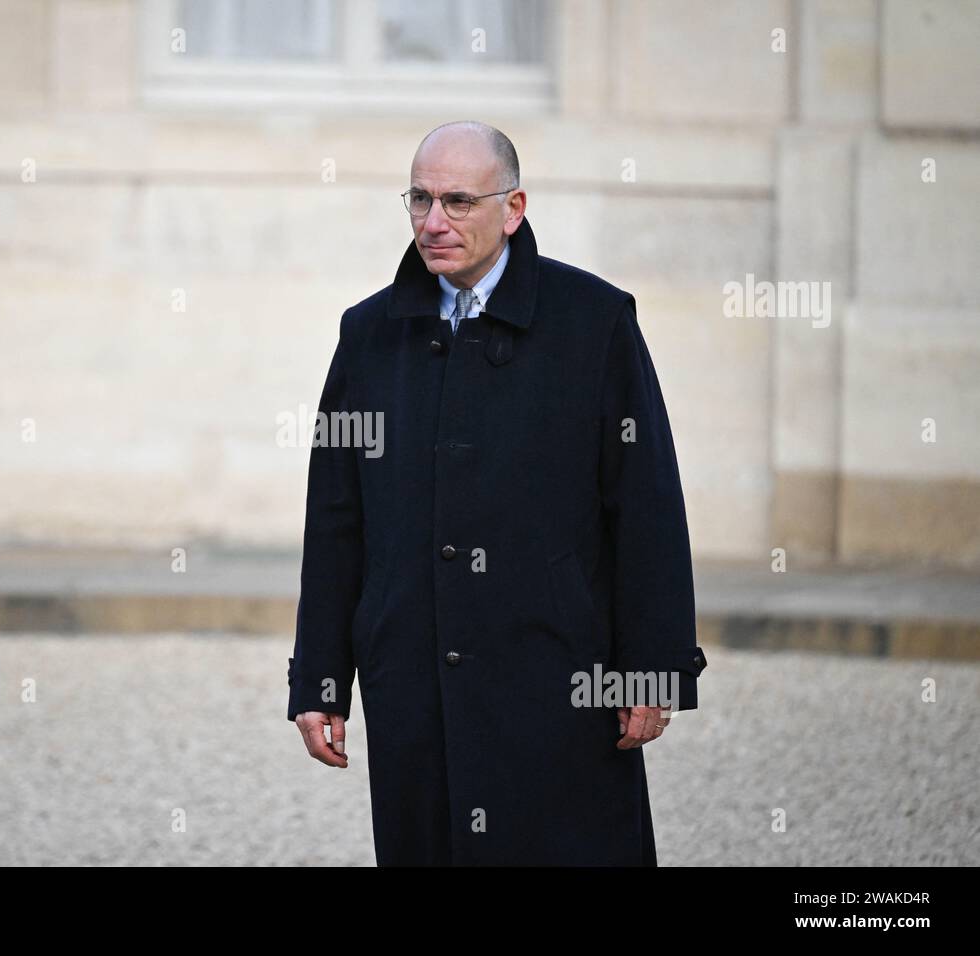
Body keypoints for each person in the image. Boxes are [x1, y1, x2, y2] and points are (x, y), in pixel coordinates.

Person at [286, 120, 707, 865]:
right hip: (413, 681)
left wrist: (654, 664)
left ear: (513, 208)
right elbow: (336, 520)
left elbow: (644, 504)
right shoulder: (368, 336)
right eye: (419, 200)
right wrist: (321, 678)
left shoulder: (595, 322)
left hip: (557, 678)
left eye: (457, 201)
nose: (433, 222)